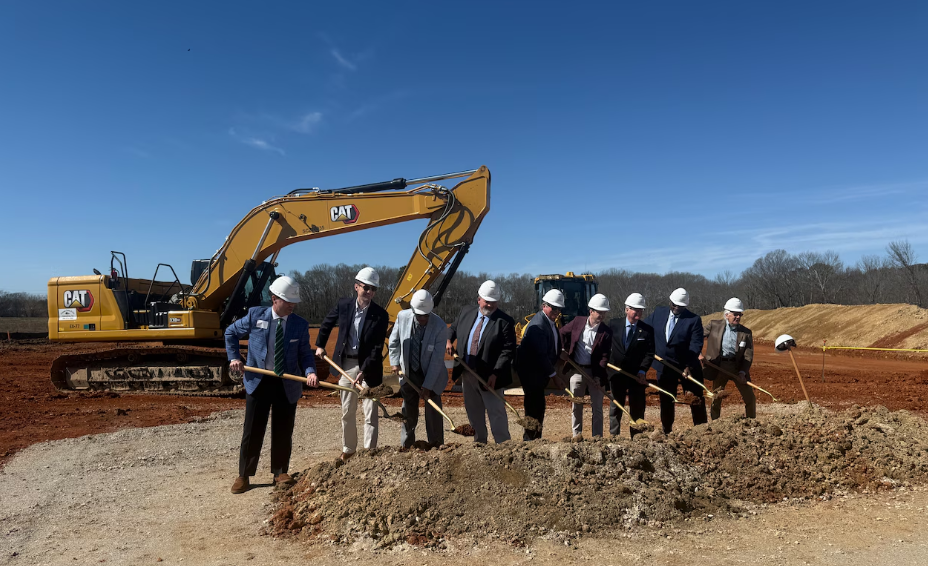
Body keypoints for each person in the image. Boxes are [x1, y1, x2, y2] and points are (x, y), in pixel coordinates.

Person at [225, 275, 318, 494]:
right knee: (252, 429)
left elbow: (305, 353)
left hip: (287, 382)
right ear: (274, 299)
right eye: (288, 301)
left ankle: (280, 472)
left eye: (294, 302)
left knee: (283, 429)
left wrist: (310, 371)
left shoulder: (299, 324)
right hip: (258, 381)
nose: (292, 305)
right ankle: (244, 475)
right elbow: (231, 333)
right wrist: (234, 357)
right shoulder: (255, 315)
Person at [315, 267, 389, 461]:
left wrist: (363, 370)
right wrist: (320, 345)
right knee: (347, 410)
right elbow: (327, 323)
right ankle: (349, 450)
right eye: (366, 287)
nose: (370, 292)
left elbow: (377, 347)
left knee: (370, 412)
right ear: (357, 287)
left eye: (373, 289)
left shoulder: (381, 315)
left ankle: (369, 452)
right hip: (346, 364)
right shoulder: (344, 305)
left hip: (369, 368)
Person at [446, 280, 517, 444]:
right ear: (479, 299)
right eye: (487, 301)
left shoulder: (505, 321)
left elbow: (508, 350)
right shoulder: (466, 312)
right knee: (474, 411)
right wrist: (448, 340)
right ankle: (480, 443)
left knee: (496, 412)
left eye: (494, 302)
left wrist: (495, 373)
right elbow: (453, 328)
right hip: (467, 371)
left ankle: (503, 445)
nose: (490, 305)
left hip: (490, 377)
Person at [389, 290, 449, 447]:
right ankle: (406, 446)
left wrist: (428, 386)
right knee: (408, 413)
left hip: (432, 375)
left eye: (426, 316)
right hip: (409, 373)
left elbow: (436, 360)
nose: (422, 319)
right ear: (413, 310)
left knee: (433, 414)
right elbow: (394, 342)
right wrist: (395, 362)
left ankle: (436, 445)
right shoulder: (402, 317)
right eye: (419, 315)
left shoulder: (440, 326)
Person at [644, 287, 707, 434]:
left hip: (687, 367)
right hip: (664, 366)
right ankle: (667, 431)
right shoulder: (658, 313)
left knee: (695, 399)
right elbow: (645, 329)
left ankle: (701, 431)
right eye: (674, 305)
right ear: (670, 302)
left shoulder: (693, 320)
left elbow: (696, 344)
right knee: (666, 400)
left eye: (680, 306)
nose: (676, 308)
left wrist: (688, 365)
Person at [559, 293, 613, 439]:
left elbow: (604, 357)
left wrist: (598, 376)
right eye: (599, 312)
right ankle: (577, 436)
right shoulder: (578, 322)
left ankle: (597, 437)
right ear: (591, 311)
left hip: (595, 372)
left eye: (604, 312)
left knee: (597, 407)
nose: (602, 315)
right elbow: (562, 333)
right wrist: (563, 349)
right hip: (577, 369)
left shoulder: (606, 332)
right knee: (576, 405)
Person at [515, 289, 567, 441]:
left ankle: (535, 439)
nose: (557, 311)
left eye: (559, 309)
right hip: (532, 374)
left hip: (539, 374)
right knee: (533, 409)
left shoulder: (549, 322)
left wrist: (559, 353)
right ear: (544, 306)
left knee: (538, 408)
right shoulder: (538, 325)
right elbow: (540, 355)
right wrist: (555, 377)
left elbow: (549, 346)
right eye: (554, 308)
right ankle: (530, 441)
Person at [607, 293, 655, 438]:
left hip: (636, 376)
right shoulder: (613, 325)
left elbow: (649, 353)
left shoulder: (647, 330)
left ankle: (637, 436)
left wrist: (642, 370)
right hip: (617, 374)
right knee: (616, 407)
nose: (638, 313)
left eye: (641, 310)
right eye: (635, 310)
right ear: (627, 309)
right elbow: (606, 346)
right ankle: (614, 437)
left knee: (637, 407)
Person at [702, 297, 756, 420]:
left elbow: (748, 355)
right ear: (727, 315)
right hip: (719, 366)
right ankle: (715, 422)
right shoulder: (714, 325)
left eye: (739, 314)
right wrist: (698, 353)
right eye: (735, 314)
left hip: (737, 368)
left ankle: (752, 422)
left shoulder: (746, 333)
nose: (738, 317)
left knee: (750, 397)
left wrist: (743, 372)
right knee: (716, 397)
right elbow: (696, 336)